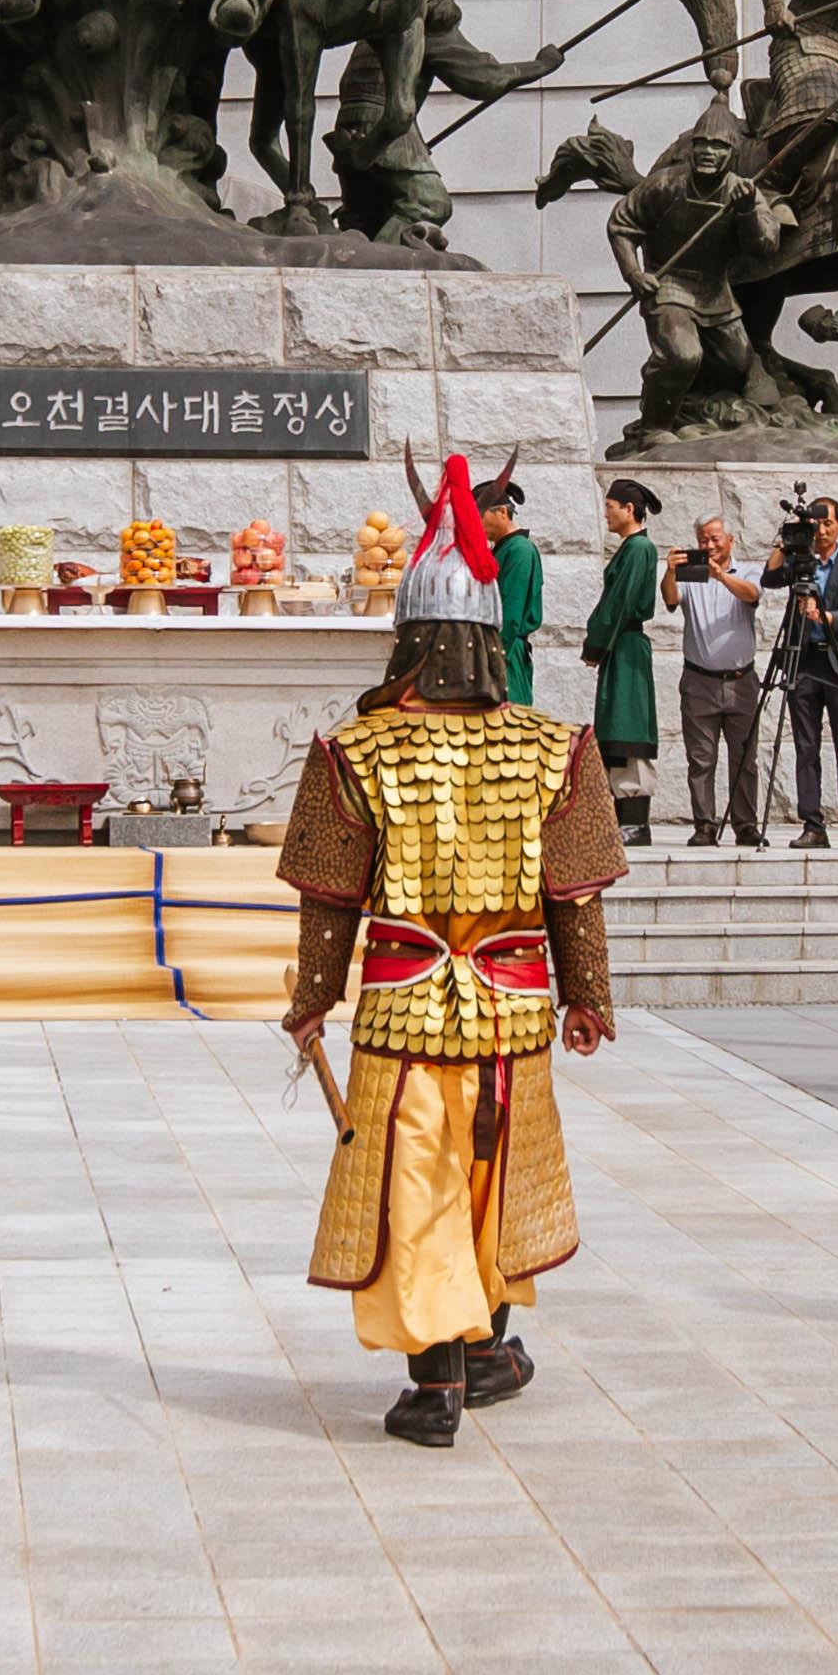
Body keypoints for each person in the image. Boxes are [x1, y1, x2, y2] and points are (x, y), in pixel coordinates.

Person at [277, 457, 623, 1449]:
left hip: (402, 1007)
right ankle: (480, 1351)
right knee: (492, 1175)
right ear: (489, 638)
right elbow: (576, 895)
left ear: (412, 639)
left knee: (422, 1182)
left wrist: (310, 999)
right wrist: (588, 997)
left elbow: (328, 897)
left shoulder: (356, 747)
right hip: (514, 1004)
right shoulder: (556, 748)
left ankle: (440, 1380)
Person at [769, 497, 838, 851]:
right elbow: (770, 579)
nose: (822, 531)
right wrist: (783, 544)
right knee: (806, 747)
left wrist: (823, 616)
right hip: (804, 665)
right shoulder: (801, 562)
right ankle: (813, 824)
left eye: (828, 524)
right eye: (816, 525)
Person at [667, 510, 765, 849]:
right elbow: (669, 599)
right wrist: (669, 571)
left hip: (742, 681)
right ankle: (704, 824)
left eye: (714, 539)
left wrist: (721, 576)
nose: (708, 545)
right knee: (701, 757)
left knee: (744, 758)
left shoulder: (747, 570)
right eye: (702, 540)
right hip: (699, 681)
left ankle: (745, 824)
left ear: (730, 541)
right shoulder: (690, 573)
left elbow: (752, 595)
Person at [579, 480, 664, 846]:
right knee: (617, 726)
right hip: (620, 646)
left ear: (630, 509)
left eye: (611, 505)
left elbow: (618, 602)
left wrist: (595, 643)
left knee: (630, 728)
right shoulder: (633, 549)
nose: (606, 513)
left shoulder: (639, 548)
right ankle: (620, 815)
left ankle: (635, 821)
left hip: (625, 646)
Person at [483, 476, 545, 708]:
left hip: (504, 656)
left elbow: (509, 614)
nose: (476, 522)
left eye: (481, 515)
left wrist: (491, 661)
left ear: (501, 512)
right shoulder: (500, 549)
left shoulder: (519, 550)